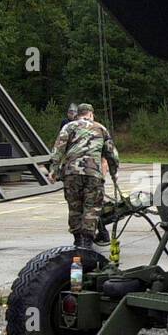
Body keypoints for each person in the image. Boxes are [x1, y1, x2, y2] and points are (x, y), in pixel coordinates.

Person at [49, 103, 119, 250]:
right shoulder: (100, 128)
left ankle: (77, 239)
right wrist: (113, 172)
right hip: (93, 173)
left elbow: (58, 150)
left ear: (77, 114)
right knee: (92, 207)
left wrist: (54, 170)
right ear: (91, 114)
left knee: (75, 207)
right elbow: (111, 154)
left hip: (72, 173)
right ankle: (86, 242)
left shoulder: (68, 127)